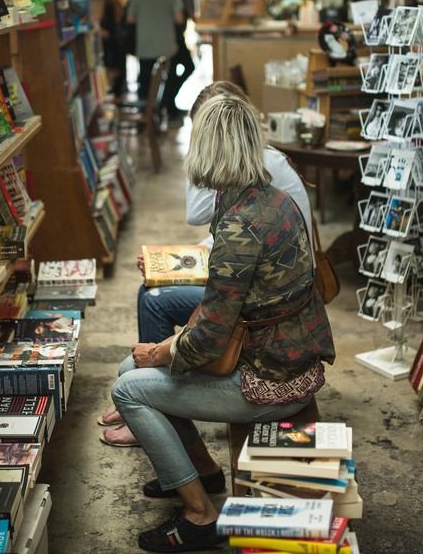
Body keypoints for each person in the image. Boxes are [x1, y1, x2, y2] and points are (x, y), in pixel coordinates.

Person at [110, 94, 335, 553]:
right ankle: (201, 471)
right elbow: (222, 312)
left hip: (269, 383)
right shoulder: (273, 199)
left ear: (207, 148)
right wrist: (167, 351)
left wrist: (160, 351)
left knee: (127, 387)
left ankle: (199, 514)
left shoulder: (238, 225)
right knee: (130, 369)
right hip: (288, 359)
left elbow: (210, 336)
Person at [99, 82, 315, 446]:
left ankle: (189, 484)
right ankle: (170, 434)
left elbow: (211, 335)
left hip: (265, 362)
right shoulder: (263, 195)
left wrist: (160, 352)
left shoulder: (242, 213)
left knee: (133, 369)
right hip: (280, 341)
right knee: (147, 325)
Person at [128, 0, 182, 109]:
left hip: (145, 44)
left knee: (145, 80)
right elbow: (179, 19)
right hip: (166, 45)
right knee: (167, 78)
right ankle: (166, 107)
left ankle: (146, 113)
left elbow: (130, 19)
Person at [163, 0, 197, 121]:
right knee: (188, 67)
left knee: (173, 71)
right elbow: (191, 16)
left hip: (170, 36)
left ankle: (169, 104)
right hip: (176, 37)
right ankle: (167, 103)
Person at [100, 0, 128, 98]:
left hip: (117, 40)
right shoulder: (110, 4)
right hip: (115, 42)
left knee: (118, 68)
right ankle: (117, 93)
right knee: (116, 68)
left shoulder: (115, 3)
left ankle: (118, 92)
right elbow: (110, 25)